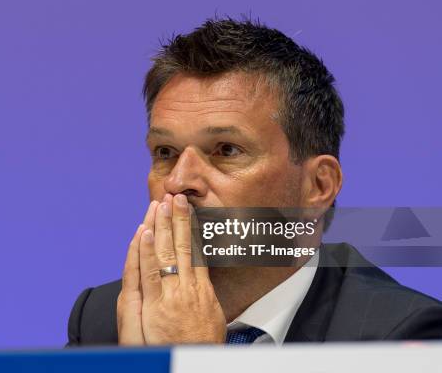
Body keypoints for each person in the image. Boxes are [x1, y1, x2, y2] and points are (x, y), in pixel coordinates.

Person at [67, 18, 442, 346]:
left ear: (318, 186)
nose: (179, 182)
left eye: (226, 150)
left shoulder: (402, 335)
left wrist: (189, 363)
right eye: (165, 152)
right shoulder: (106, 318)